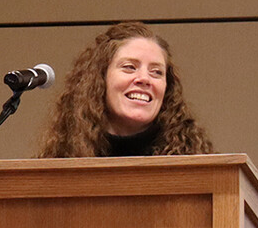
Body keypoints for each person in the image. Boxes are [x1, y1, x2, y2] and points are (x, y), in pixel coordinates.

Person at [37, 22, 213, 157]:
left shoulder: (193, 161)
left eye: (156, 72)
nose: (144, 79)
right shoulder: (62, 160)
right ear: (100, 79)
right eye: (129, 67)